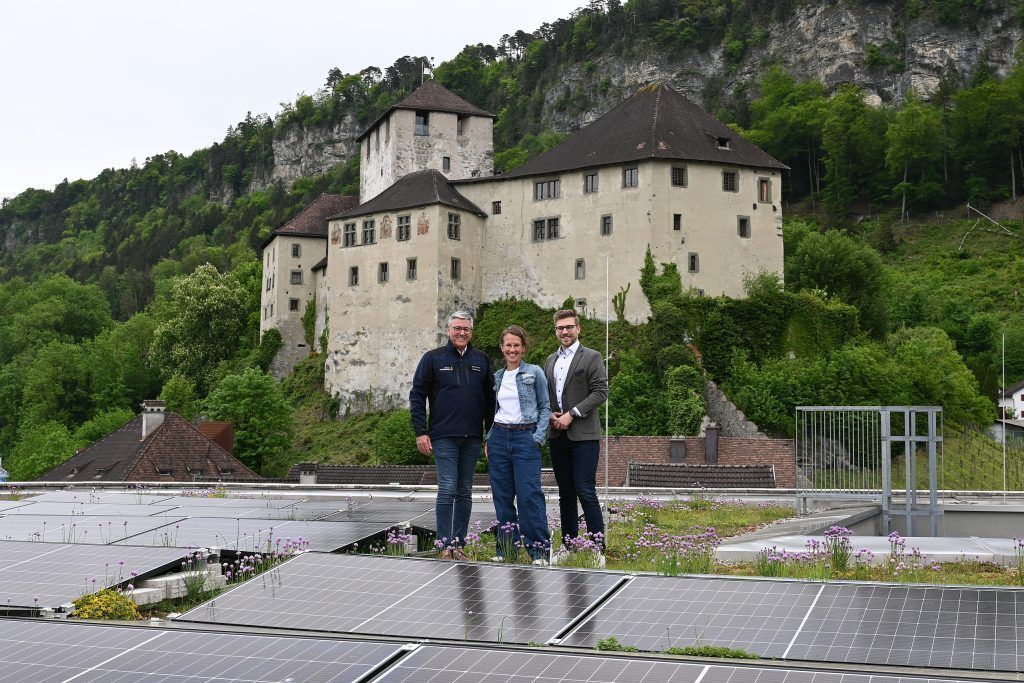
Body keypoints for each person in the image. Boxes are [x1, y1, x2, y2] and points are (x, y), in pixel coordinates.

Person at [410, 311, 495, 558]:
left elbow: (491, 400)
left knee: (465, 490)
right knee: (447, 488)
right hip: (443, 435)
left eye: (466, 329)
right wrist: (420, 432)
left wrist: (489, 434)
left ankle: (458, 545)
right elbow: (417, 395)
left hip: (472, 437)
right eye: (457, 328)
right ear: (449, 330)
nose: (461, 333)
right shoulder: (433, 358)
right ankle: (443, 545)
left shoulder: (482, 360)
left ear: (471, 332)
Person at [544, 309, 609, 557]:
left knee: (585, 490)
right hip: (557, 435)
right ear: (556, 331)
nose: (565, 332)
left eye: (569, 327)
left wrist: (572, 413)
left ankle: (597, 547)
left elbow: (600, 392)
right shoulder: (550, 360)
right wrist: (550, 414)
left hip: (583, 435)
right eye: (560, 328)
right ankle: (569, 545)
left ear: (578, 328)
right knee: (566, 494)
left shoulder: (591, 357)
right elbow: (549, 396)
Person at [486, 325, 552, 565]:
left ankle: (540, 551)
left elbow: (546, 407)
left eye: (516, 345)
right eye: (508, 345)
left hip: (525, 438)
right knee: (502, 498)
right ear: (502, 348)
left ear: (523, 348)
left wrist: (538, 437)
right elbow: (493, 410)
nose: (512, 349)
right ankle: (506, 550)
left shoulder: (534, 372)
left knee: (529, 496)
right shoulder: (497, 377)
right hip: (499, 438)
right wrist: (489, 437)